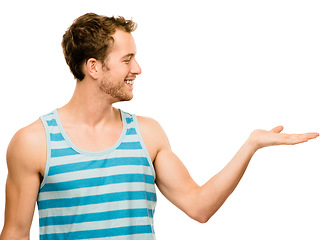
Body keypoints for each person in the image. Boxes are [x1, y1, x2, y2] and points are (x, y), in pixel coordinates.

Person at [0, 13, 319, 240]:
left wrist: (250, 145)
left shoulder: (147, 135)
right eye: (127, 59)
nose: (137, 68)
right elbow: (15, 233)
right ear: (94, 67)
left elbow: (199, 207)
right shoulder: (33, 142)